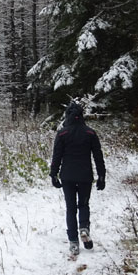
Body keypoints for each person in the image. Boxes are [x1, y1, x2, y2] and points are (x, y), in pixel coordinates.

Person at [49, 101, 106, 256]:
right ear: (81, 116)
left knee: (70, 208)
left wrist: (53, 174)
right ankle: (84, 228)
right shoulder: (90, 133)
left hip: (67, 176)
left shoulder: (62, 134)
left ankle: (73, 242)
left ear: (68, 116)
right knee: (84, 205)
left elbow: (57, 157)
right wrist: (101, 175)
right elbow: (98, 156)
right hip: (85, 175)